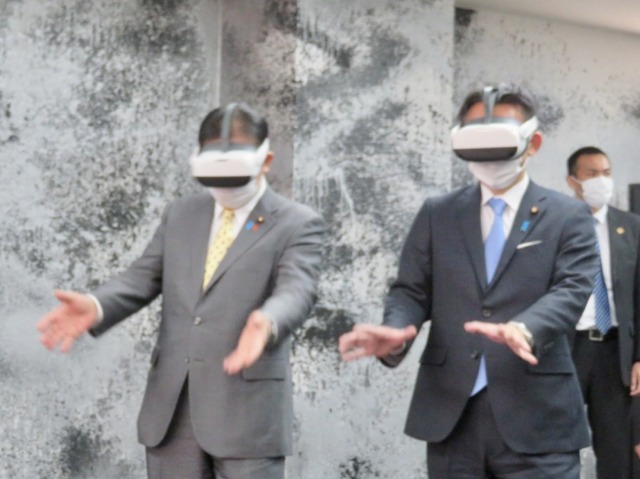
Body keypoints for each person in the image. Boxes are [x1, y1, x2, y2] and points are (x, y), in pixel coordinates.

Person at [37, 103, 325, 479]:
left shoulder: (297, 223)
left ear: (265, 161)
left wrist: (267, 321)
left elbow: (298, 289)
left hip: (247, 413)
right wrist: (98, 304)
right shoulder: (181, 214)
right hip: (172, 413)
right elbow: (142, 277)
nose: (224, 187)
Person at [339, 84, 598, 478]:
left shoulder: (567, 215)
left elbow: (573, 288)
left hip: (538, 417)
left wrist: (525, 328)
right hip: (451, 414)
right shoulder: (438, 213)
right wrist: (396, 331)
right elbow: (412, 290)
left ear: (533, 143)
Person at [566, 146, 640, 479]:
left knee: (616, 450)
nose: (602, 180)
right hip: (569, 347)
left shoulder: (631, 226)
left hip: (614, 350)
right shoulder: (556, 224)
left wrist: (639, 357)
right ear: (573, 181)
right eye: (592, 174)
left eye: (606, 173)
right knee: (556, 442)